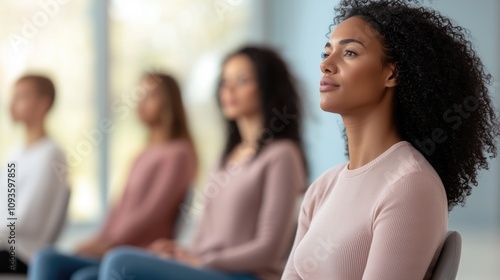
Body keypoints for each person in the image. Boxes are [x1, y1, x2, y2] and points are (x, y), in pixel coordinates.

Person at [282, 0, 500, 279]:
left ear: (392, 73)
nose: (326, 65)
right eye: (327, 52)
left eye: (349, 52)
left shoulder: (409, 184)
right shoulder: (323, 187)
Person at [96, 46, 308, 280]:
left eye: (242, 80)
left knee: (119, 261)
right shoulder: (225, 159)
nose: (228, 89)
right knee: (88, 276)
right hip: (209, 268)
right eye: (224, 81)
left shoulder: (282, 155)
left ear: (268, 88)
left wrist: (203, 260)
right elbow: (204, 234)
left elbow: (269, 250)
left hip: (246, 275)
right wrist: (181, 252)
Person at [28, 72, 198, 280]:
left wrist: (111, 242)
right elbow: (118, 209)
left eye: (150, 96)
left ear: (169, 102)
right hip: (112, 247)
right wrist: (98, 239)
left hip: (140, 251)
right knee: (47, 258)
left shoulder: (179, 154)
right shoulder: (142, 154)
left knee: (76, 274)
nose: (140, 103)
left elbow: (152, 213)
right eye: (139, 96)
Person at [0, 75, 69, 275]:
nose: (12, 104)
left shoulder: (52, 154)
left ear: (43, 102)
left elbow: (25, 220)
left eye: (21, 97)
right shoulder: (17, 152)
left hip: (20, 254)